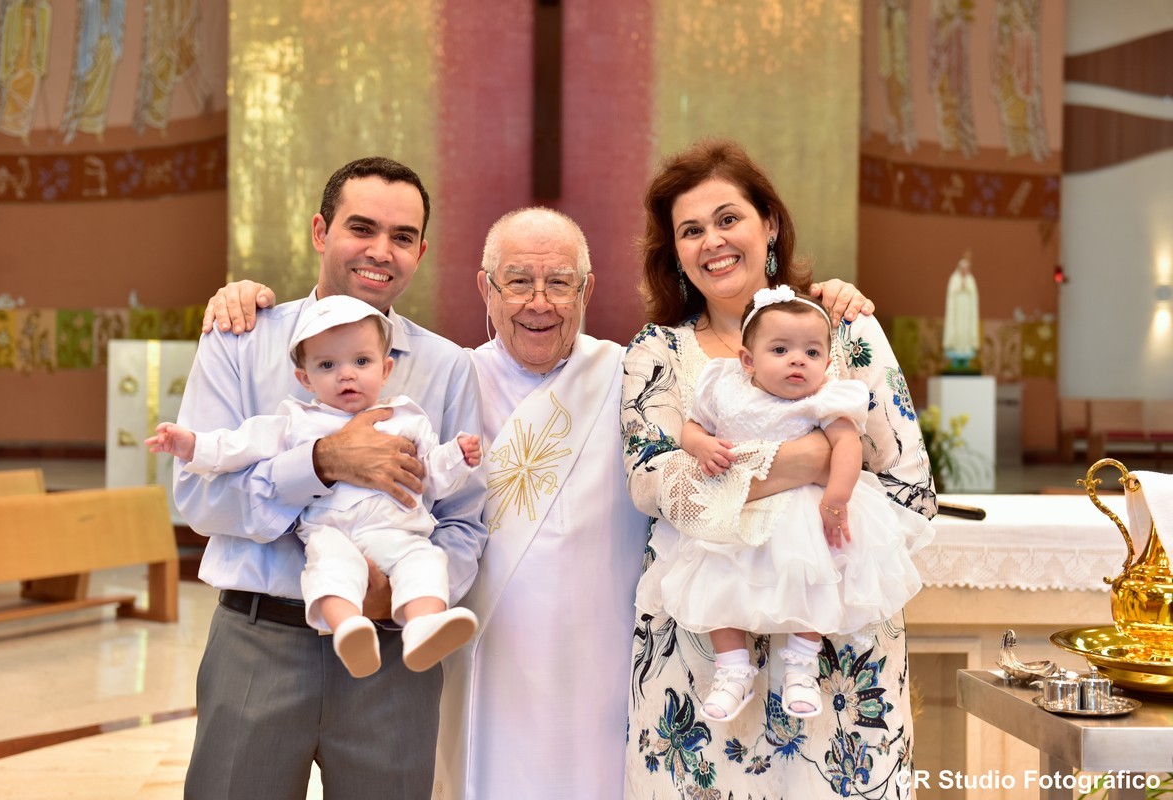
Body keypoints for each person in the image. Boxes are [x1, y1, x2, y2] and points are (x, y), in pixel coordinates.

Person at [207, 206, 871, 799]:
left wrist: (826, 303)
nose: (539, 302)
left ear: (587, 290)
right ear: (485, 289)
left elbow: (742, 400)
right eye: (518, 281)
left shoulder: (627, 372)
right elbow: (349, 388)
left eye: (560, 282)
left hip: (604, 650)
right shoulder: (449, 377)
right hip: (485, 647)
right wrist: (247, 300)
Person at [621, 138, 936, 798]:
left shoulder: (845, 329)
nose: (712, 241)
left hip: (839, 659)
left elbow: (909, 486)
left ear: (768, 224)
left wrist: (749, 481)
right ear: (674, 252)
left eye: (728, 218)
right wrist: (812, 458)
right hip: (701, 665)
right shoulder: (656, 353)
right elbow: (655, 486)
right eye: (690, 230)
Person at [176, 157, 487, 799]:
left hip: (392, 654)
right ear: (321, 232)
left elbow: (463, 522)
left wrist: (393, 598)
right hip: (259, 642)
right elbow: (199, 497)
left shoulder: (447, 366)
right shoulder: (241, 339)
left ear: (421, 252)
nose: (381, 251)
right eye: (361, 228)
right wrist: (320, 463)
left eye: (402, 237)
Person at [640, 285, 934, 724]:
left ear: (827, 362)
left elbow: (848, 446)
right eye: (780, 350)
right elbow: (691, 428)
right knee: (715, 575)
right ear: (748, 360)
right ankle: (732, 669)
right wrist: (701, 445)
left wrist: (837, 497)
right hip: (737, 516)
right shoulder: (724, 386)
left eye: (812, 352)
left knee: (814, 578)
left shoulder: (825, 397)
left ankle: (801, 664)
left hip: (803, 514)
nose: (798, 360)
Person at [150, 296, 481, 678]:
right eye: (327, 365)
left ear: (385, 369)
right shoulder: (297, 422)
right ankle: (348, 629)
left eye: (362, 362)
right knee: (330, 568)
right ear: (305, 379)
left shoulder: (406, 418)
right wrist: (192, 444)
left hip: (397, 533)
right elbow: (239, 445)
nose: (347, 375)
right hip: (332, 531)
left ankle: (423, 626)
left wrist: (457, 455)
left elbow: (433, 475)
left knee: (424, 561)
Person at [942, 249, 980, 370]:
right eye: (963, 268)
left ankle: (966, 354)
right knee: (957, 329)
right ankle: (956, 352)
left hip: (967, 312)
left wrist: (966, 286)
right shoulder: (954, 279)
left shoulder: (971, 280)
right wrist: (960, 286)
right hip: (957, 312)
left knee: (966, 329)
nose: (965, 270)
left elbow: (973, 295)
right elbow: (951, 293)